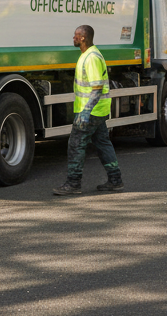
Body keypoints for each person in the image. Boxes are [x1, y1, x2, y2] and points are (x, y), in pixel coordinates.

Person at [53, 24, 124, 196]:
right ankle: (115, 180)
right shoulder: (88, 55)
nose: (74, 37)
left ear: (84, 37)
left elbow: (97, 87)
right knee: (102, 143)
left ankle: (73, 183)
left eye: (76, 35)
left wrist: (85, 112)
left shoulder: (91, 57)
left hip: (91, 111)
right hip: (97, 110)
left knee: (76, 144)